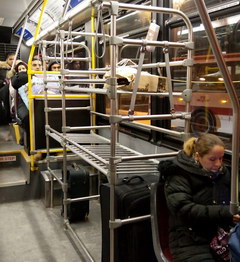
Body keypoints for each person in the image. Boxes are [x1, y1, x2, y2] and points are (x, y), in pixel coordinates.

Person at [158, 133, 240, 262]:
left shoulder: (224, 173)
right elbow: (184, 210)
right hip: (190, 238)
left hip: (222, 233)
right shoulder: (178, 175)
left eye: (221, 158)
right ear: (198, 156)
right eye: (212, 159)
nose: (218, 164)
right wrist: (227, 212)